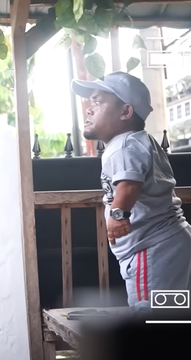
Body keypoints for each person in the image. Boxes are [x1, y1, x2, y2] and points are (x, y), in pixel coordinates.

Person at [71, 71, 191, 310]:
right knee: (170, 312)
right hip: (167, 243)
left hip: (151, 247)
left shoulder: (124, 146)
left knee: (150, 316)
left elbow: (129, 185)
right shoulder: (138, 141)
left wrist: (118, 215)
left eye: (98, 101)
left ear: (126, 112)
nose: (89, 108)